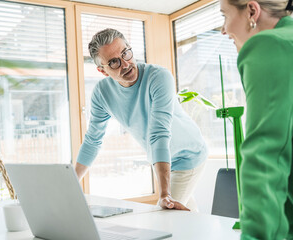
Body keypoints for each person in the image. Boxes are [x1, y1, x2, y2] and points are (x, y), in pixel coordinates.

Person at [74, 28, 208, 211]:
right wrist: (72, 183)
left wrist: (164, 194)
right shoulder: (102, 93)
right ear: (102, 71)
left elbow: (159, 133)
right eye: (114, 62)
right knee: (185, 215)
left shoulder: (158, 77)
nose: (126, 64)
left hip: (188, 154)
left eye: (126, 53)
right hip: (162, 159)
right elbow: (92, 141)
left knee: (166, 214)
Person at [220, 0, 293, 239]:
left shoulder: (269, 45)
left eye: (224, 15)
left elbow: (264, 156)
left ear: (252, 10)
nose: (223, 29)